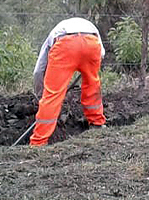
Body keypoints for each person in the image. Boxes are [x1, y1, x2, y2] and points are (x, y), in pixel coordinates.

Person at [30, 17, 106, 146]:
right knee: (92, 85)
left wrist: (40, 95)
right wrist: (85, 66)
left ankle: (38, 142)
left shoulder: (51, 38)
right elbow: (102, 54)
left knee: (52, 95)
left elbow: (38, 71)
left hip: (65, 44)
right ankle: (97, 123)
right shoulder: (90, 26)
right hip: (92, 43)